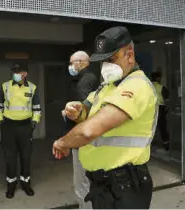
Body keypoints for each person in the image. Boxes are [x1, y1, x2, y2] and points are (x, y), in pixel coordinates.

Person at [52, 26, 157, 209]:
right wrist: (78, 111)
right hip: (105, 186)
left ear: (130, 56)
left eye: (111, 59)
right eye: (103, 61)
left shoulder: (137, 86)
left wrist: (63, 142)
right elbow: (88, 109)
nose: (106, 66)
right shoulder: (108, 86)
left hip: (126, 188)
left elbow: (88, 131)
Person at [0, 63, 41, 199]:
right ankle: (11, 186)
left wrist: (34, 123)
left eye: (18, 71)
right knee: (10, 158)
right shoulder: (5, 86)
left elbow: (37, 108)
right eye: (14, 71)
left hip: (25, 127)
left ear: (25, 73)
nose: (15, 73)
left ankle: (26, 184)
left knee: (26, 157)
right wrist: (0, 122)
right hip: (8, 126)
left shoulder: (32, 88)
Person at [65, 51, 99, 208]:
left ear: (81, 62)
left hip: (82, 138)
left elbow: (84, 113)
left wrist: (67, 115)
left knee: (81, 182)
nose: (70, 66)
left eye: (72, 62)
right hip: (88, 136)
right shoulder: (87, 78)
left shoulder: (85, 81)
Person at [151, 71, 170, 151]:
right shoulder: (162, 88)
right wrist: (166, 110)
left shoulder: (148, 86)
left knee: (151, 128)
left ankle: (149, 147)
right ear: (158, 78)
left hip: (150, 109)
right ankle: (166, 146)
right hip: (160, 108)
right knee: (163, 128)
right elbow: (167, 101)